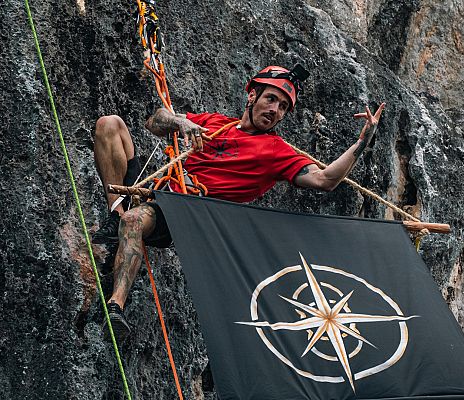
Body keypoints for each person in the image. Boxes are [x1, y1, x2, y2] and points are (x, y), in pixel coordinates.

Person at [91, 65, 385, 341]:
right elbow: (154, 122)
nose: (275, 110)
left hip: (187, 212)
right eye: (271, 99)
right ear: (252, 95)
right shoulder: (214, 123)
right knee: (109, 125)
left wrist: (362, 143)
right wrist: (182, 122)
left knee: (135, 221)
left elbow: (325, 180)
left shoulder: (275, 151)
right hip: (161, 191)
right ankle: (114, 213)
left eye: (283, 107)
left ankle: (115, 305)